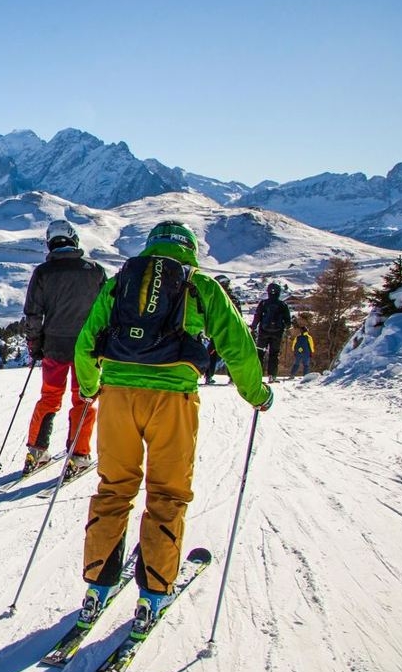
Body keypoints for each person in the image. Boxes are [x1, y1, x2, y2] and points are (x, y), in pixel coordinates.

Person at [73, 221, 272, 636]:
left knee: (114, 488)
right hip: (173, 400)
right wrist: (256, 394)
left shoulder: (121, 282)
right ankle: (154, 594)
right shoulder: (200, 286)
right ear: (190, 251)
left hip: (117, 397)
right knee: (167, 493)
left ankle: (97, 586)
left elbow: (87, 339)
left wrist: (91, 388)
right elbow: (237, 344)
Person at [22, 219, 107, 477]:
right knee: (83, 397)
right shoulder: (95, 271)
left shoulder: (43, 273)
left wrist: (34, 344)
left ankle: (37, 451)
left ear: (51, 242)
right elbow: (107, 312)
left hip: (54, 346)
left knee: (49, 397)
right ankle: (79, 455)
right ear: (74, 240)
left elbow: (33, 313)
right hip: (87, 348)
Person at [204, 274, 242, 384]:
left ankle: (208, 376)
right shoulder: (233, 299)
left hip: (216, 330)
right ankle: (232, 377)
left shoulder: (213, 298)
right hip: (230, 330)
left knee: (212, 353)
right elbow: (239, 316)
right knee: (231, 354)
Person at [251, 282, 292, 383]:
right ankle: (272, 376)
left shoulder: (263, 303)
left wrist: (253, 327)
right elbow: (288, 321)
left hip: (263, 333)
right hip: (277, 333)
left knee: (260, 353)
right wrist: (287, 327)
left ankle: (258, 376)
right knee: (274, 354)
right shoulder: (282, 305)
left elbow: (257, 317)